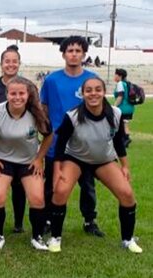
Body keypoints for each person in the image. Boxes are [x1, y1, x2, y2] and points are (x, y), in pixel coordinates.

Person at [48, 77, 142, 254]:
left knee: (127, 194)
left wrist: (125, 166)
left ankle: (128, 240)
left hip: (103, 159)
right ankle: (55, 237)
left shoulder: (115, 113)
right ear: (82, 94)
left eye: (98, 89)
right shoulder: (73, 115)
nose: (93, 94)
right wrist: (57, 170)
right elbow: (60, 144)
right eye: (88, 90)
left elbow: (118, 142)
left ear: (104, 91)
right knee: (60, 191)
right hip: (75, 158)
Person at [40, 36, 103, 237]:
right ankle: (49, 218)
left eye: (78, 50)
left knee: (87, 184)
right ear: (64, 54)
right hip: (57, 142)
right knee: (52, 183)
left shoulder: (91, 79)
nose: (74, 54)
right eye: (70, 50)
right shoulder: (51, 80)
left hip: (85, 144)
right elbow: (44, 108)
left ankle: (89, 220)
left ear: (84, 54)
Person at [0, 77, 52, 251]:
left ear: (28, 94)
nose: (17, 97)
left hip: (28, 161)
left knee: (37, 198)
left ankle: (37, 237)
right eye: (13, 93)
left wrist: (39, 159)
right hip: (3, 160)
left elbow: (48, 136)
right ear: (7, 94)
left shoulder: (37, 112)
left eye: (21, 93)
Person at [0, 45, 27, 233]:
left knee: (19, 184)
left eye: (14, 61)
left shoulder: (26, 86)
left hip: (21, 145)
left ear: (19, 63)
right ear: (1, 64)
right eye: (7, 61)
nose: (11, 64)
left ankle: (18, 223)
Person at [113, 69, 134, 147]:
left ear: (120, 76)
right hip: (130, 107)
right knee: (125, 123)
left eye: (115, 75)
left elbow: (120, 96)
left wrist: (114, 106)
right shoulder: (127, 83)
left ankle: (125, 139)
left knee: (121, 123)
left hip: (123, 107)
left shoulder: (120, 84)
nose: (114, 77)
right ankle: (125, 139)